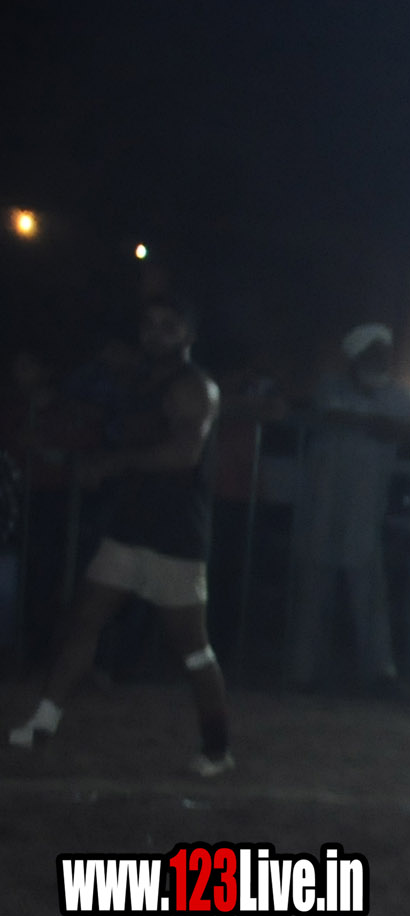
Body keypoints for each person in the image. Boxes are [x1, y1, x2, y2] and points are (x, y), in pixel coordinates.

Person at [9, 296, 233, 775]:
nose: (155, 332)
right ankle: (43, 723)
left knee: (193, 649)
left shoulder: (194, 387)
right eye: (149, 323)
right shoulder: (141, 381)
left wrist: (113, 462)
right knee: (84, 620)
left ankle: (218, 748)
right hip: (130, 525)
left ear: (190, 335)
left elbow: (184, 454)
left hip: (175, 535)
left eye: (169, 325)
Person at [286, 324, 410, 692]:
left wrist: (402, 428)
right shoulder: (332, 386)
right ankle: (304, 670)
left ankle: (380, 671)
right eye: (374, 351)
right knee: (313, 587)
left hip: (366, 506)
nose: (382, 358)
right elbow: (330, 414)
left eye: (385, 351)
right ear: (356, 356)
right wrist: (376, 423)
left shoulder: (397, 394)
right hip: (322, 502)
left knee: (368, 589)